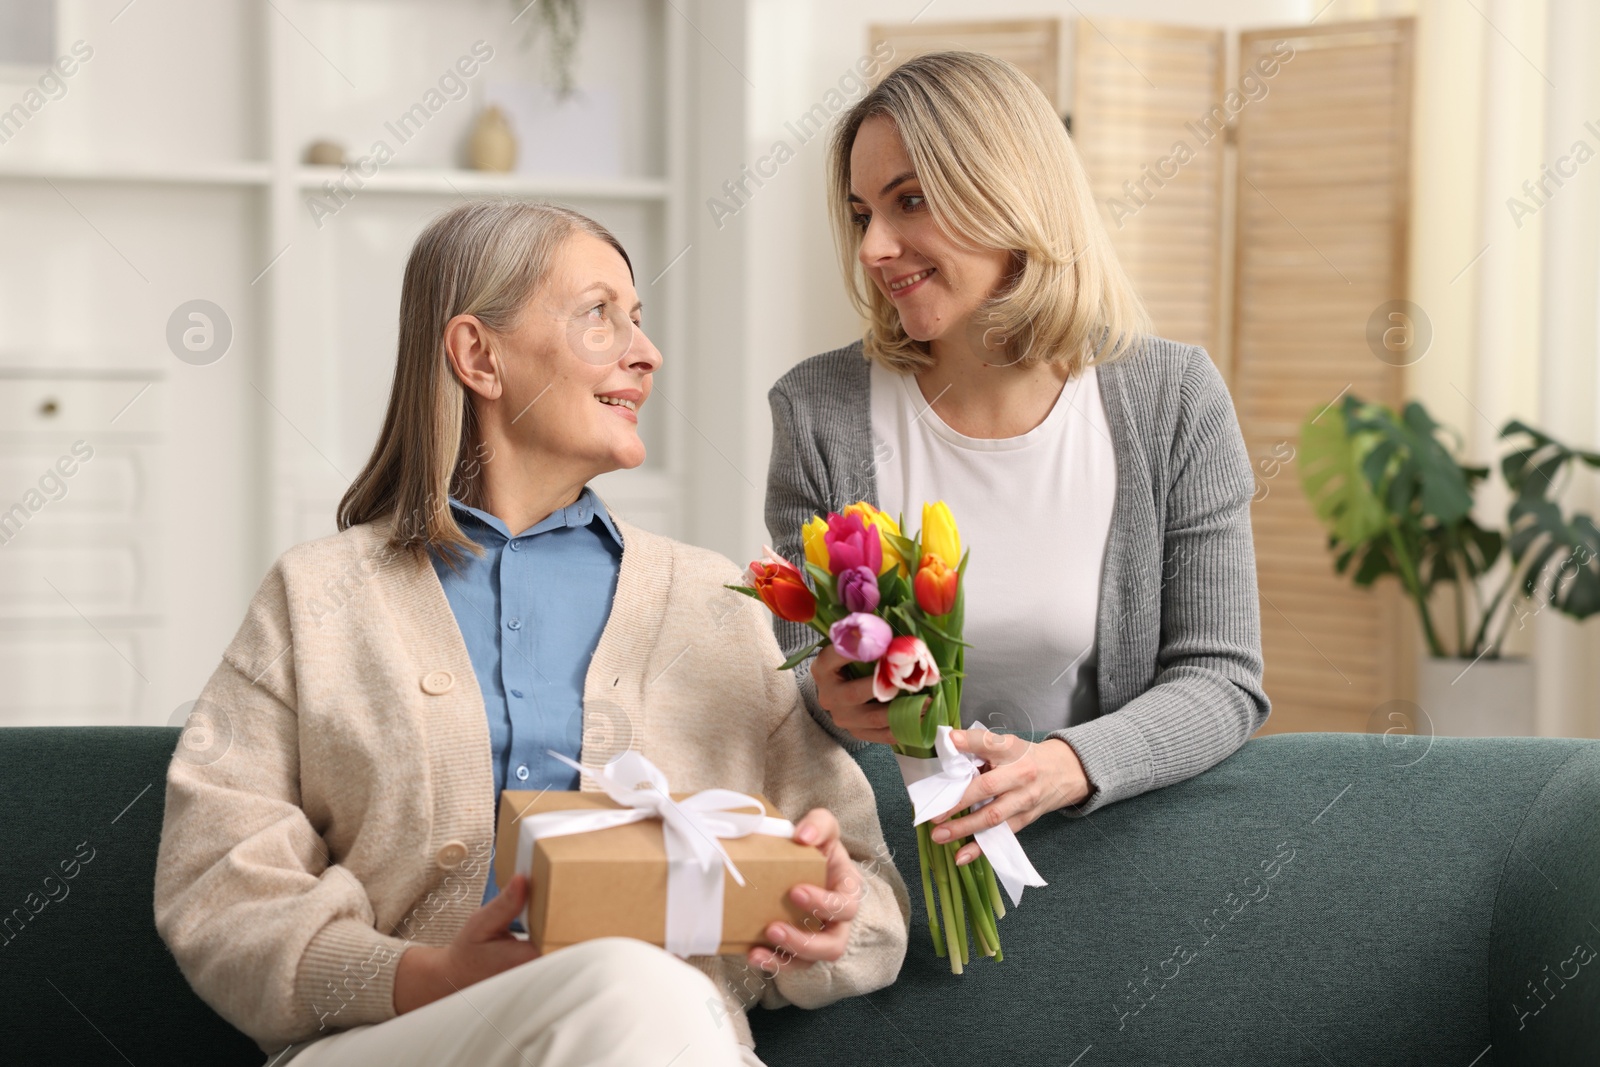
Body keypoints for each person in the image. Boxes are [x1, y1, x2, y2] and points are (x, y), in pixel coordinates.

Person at [154, 200, 909, 1067]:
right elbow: (218, 891)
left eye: (639, 318)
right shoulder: (319, 596)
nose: (646, 352)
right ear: (480, 355)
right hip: (385, 1046)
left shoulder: (716, 601)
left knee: (644, 993)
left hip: (653, 1040)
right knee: (640, 985)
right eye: (599, 314)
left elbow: (868, 893)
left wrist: (827, 914)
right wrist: (430, 973)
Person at [766, 51, 1269, 867]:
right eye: (863, 214)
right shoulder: (816, 411)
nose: (874, 247)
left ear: (1010, 194)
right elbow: (792, 682)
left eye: (911, 202)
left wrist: (1062, 767)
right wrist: (826, 695)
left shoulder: (1172, 399)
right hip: (881, 868)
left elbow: (1221, 678)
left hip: (1102, 845)